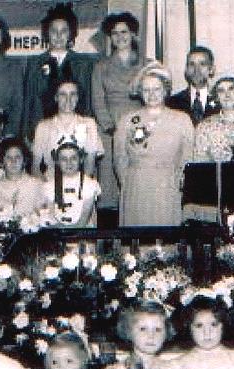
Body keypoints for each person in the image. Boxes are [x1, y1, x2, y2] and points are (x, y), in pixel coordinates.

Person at [114, 64, 194, 226]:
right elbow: (120, 157)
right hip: (137, 187)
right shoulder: (127, 120)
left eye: (156, 89)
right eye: (146, 90)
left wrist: (179, 183)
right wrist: (130, 182)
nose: (151, 95)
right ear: (140, 92)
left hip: (168, 186)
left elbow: (188, 156)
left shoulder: (182, 119)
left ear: (165, 90)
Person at [91, 11, 147, 227]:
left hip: (139, 128)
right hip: (109, 130)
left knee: (136, 180)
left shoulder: (147, 64)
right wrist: (110, 127)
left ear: (133, 34)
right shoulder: (101, 67)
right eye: (114, 33)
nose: (119, 37)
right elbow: (98, 101)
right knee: (110, 185)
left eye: (124, 32)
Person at [23, 3, 95, 139]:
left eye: (64, 31)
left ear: (71, 33)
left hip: (74, 131)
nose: (58, 35)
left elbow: (87, 102)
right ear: (46, 33)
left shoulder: (83, 63)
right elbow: (28, 102)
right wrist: (26, 135)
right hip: (41, 130)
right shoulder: (35, 63)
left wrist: (87, 134)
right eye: (53, 31)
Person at [31, 78, 103, 179]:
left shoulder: (89, 124)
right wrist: (46, 188)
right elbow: (35, 167)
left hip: (80, 183)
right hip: (50, 182)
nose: (68, 99)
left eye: (73, 94)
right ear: (56, 97)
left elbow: (90, 164)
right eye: (63, 94)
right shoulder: (43, 126)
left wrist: (81, 188)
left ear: (78, 97)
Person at [40, 141, 99, 228]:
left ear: (81, 159)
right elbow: (51, 215)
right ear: (57, 162)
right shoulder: (49, 185)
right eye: (64, 159)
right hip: (58, 232)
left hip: (83, 233)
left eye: (73, 158)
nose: (69, 162)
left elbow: (84, 218)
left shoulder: (90, 184)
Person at [0, 137, 44, 220]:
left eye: (18, 157)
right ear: (2, 161)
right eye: (9, 158)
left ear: (24, 160)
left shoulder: (36, 184)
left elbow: (42, 213)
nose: (13, 161)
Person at [166, 46, 219, 125]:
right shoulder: (172, 103)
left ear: (211, 69)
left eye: (202, 64)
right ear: (186, 69)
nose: (196, 70)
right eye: (191, 64)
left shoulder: (220, 102)